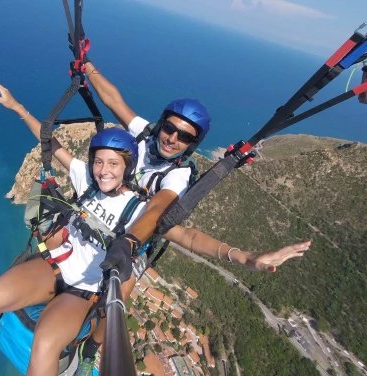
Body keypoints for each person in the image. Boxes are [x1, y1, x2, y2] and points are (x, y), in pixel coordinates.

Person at [71, 61, 312, 375]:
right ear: (161, 125)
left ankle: (90, 349)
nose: (172, 138)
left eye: (184, 137)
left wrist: (246, 258)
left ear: (192, 144)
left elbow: (164, 216)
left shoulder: (179, 174)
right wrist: (87, 67)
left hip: (135, 239)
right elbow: (114, 101)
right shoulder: (145, 136)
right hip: (104, 214)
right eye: (169, 128)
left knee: (118, 295)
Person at [0, 77, 149, 376]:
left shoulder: (139, 211)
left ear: (127, 168)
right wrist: (16, 107)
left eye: (113, 163)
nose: (103, 170)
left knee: (46, 343)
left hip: (84, 292)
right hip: (54, 266)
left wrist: (232, 254)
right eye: (98, 162)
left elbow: (181, 234)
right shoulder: (87, 181)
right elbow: (50, 143)